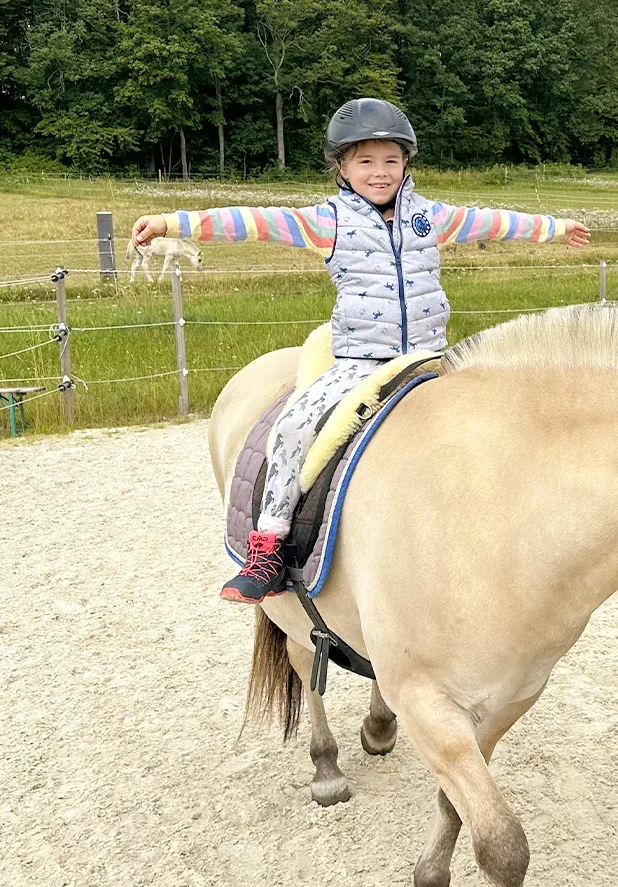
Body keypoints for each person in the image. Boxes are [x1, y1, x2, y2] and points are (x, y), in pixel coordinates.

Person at [129, 98, 591, 603]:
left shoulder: (431, 218)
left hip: (432, 356)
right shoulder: (325, 223)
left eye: (391, 160)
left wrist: (556, 227)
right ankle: (268, 547)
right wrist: (171, 223)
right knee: (294, 426)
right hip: (360, 361)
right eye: (365, 161)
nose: (380, 172)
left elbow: (495, 223)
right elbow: (251, 221)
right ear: (342, 167)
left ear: (406, 163)